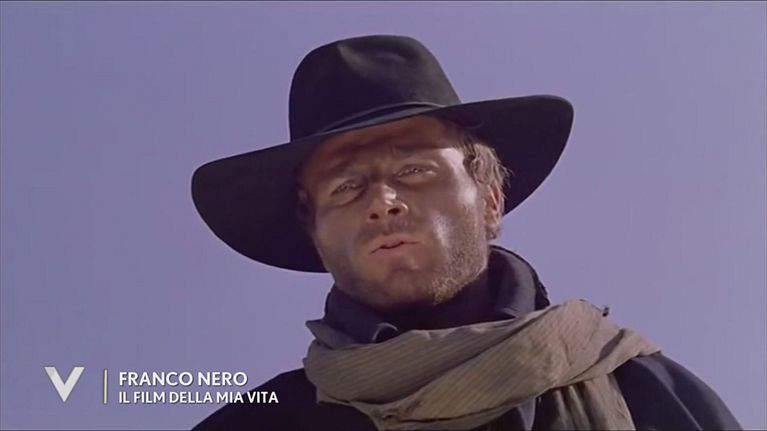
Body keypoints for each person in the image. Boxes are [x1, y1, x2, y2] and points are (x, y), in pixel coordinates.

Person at [190, 35, 741, 430]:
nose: (382, 202)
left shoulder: (648, 393)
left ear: (490, 199)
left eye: (414, 170)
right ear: (315, 234)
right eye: (346, 187)